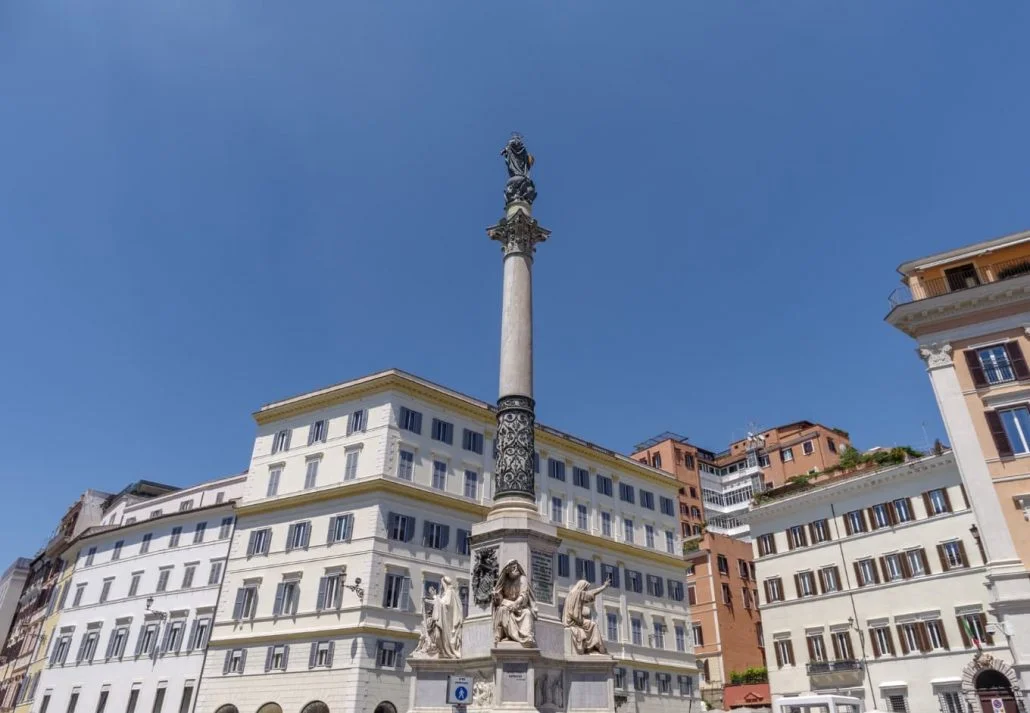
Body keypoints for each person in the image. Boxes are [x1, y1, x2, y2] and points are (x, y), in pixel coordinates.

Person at [492, 559, 538, 646]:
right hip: (507, 606)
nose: (515, 569)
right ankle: (505, 635)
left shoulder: (522, 579)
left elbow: (524, 594)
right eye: (513, 568)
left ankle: (526, 638)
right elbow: (501, 597)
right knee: (502, 610)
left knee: (527, 613)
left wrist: (516, 603)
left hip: (520, 607)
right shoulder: (505, 581)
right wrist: (497, 596)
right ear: (508, 570)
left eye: (516, 567)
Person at [562, 577, 611, 654]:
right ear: (582, 587)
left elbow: (591, 593)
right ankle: (598, 647)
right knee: (593, 625)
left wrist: (603, 587)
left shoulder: (571, 593)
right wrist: (603, 587)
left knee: (591, 624)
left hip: (572, 620)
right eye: (586, 588)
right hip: (573, 621)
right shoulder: (577, 594)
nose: (586, 591)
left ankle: (595, 647)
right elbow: (591, 593)